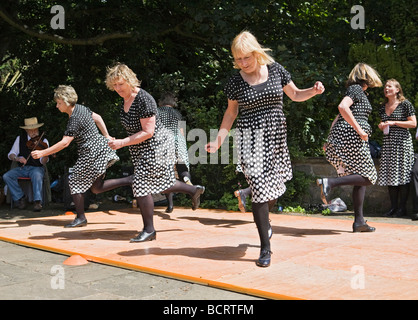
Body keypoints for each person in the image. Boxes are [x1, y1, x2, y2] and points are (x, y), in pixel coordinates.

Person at [205, 31, 325, 267]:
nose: (243, 63)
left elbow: (295, 94)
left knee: (275, 187)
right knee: (260, 188)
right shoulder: (235, 81)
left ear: (256, 53)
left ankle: (265, 221)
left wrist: (313, 90)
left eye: (246, 58)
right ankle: (265, 248)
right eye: (238, 59)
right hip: (250, 139)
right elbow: (231, 113)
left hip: (276, 138)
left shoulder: (277, 70)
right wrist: (219, 139)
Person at [105, 63, 205, 243]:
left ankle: (149, 230)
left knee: (140, 183)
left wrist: (122, 142)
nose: (117, 88)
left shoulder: (144, 99)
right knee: (161, 183)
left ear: (129, 80)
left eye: (121, 84)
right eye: (114, 85)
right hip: (140, 148)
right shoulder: (124, 101)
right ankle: (193, 189)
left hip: (158, 146)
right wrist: (117, 140)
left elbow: (148, 132)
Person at [32, 85, 132, 228]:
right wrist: (107, 136)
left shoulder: (74, 119)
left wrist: (42, 152)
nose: (56, 106)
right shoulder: (81, 108)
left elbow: (65, 143)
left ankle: (80, 218)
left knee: (74, 181)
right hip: (100, 148)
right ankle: (129, 179)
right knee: (96, 187)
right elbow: (98, 118)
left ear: (66, 102)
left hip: (91, 153)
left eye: (59, 103)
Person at [317, 63, 383, 232]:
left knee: (360, 178)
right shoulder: (356, 89)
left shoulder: (357, 91)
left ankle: (359, 222)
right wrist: (359, 129)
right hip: (352, 136)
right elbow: (342, 107)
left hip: (343, 135)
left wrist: (329, 138)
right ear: (366, 76)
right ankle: (330, 183)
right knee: (369, 176)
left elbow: (338, 116)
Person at [377, 79, 416, 218]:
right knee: (390, 176)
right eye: (385, 86)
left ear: (397, 90)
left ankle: (402, 208)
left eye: (389, 86)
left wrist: (394, 122)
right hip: (388, 144)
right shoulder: (382, 106)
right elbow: (382, 122)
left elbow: (413, 123)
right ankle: (393, 207)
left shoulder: (405, 104)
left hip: (402, 145)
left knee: (403, 176)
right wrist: (381, 125)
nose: (386, 88)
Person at [3, 117, 50, 211]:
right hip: (23, 168)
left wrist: (46, 155)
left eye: (35, 129)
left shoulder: (43, 141)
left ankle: (37, 202)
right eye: (31, 130)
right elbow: (11, 154)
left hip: (37, 168)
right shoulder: (20, 139)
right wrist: (17, 158)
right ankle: (21, 198)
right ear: (26, 130)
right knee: (7, 176)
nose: (33, 132)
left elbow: (43, 162)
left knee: (36, 174)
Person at [158, 92, 193, 213]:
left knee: (167, 175)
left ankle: (170, 205)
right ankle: (190, 186)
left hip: (164, 144)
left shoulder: (157, 112)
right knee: (182, 170)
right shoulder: (178, 114)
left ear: (161, 101)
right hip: (179, 143)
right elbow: (182, 131)